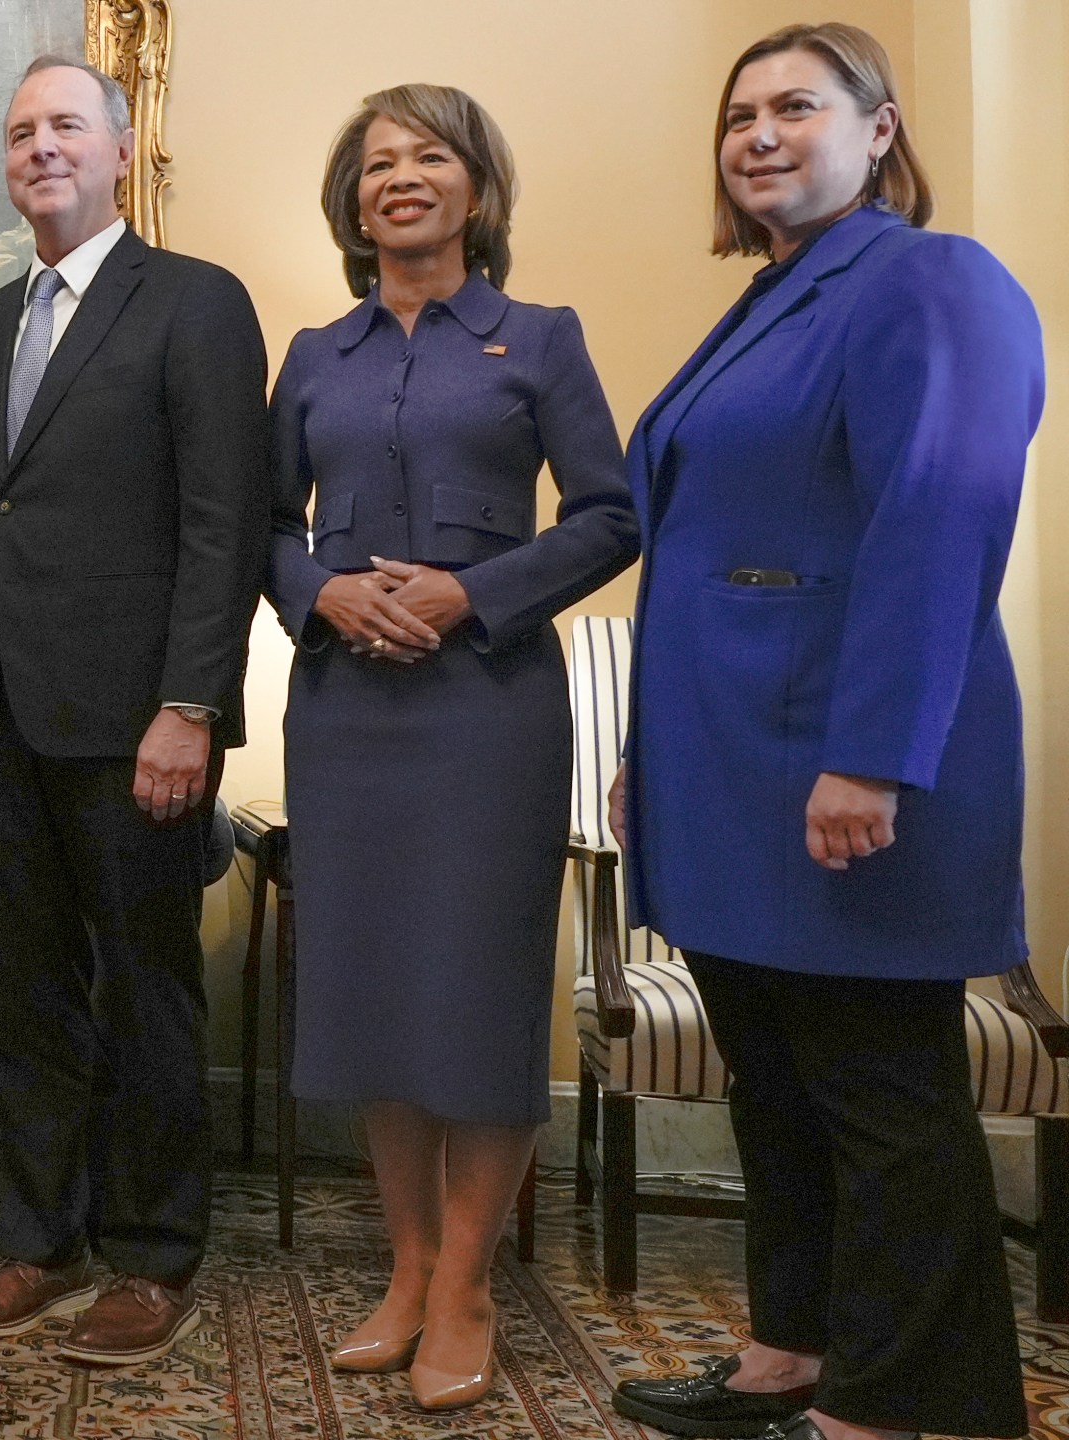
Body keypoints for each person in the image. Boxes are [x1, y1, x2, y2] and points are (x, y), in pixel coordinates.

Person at [605, 23, 1041, 1440]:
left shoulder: (929, 280)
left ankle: (905, 1406)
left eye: (797, 104)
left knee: (880, 1101)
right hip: (731, 771)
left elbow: (939, 516)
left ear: (880, 127)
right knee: (778, 1087)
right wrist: (650, 757)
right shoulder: (770, 298)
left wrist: (870, 756)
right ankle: (791, 1353)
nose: (759, 133)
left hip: (846, 770)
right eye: (740, 114)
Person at [267, 84, 637, 1411]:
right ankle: (410, 1269)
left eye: (429, 158)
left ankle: (472, 1282)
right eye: (377, 165)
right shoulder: (315, 354)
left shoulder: (539, 338)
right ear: (352, 203)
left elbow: (609, 516)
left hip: (491, 715)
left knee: (473, 995)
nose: (401, 179)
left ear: (476, 190)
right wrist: (321, 590)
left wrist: (471, 593)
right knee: (370, 989)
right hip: (348, 714)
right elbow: (263, 525)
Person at [0, 55, 269, 1367]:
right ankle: (39, 1241)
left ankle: (153, 1254)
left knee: (146, 996)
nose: (40, 147)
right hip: (5, 717)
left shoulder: (193, 302)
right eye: (20, 132)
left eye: (66, 124)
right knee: (22, 998)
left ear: (122, 151)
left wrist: (193, 705)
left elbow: (222, 523)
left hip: (137, 722)